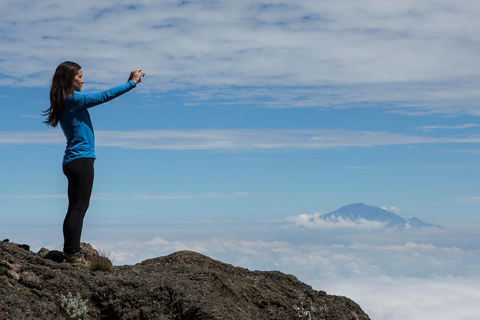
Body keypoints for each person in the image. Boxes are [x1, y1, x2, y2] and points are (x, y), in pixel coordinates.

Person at [43, 61, 145, 264]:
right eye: (79, 76)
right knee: (79, 208)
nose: (83, 80)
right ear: (68, 79)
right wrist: (132, 84)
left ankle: (70, 249)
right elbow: (102, 96)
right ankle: (73, 253)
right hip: (81, 160)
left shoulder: (65, 101)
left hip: (73, 160)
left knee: (74, 207)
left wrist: (127, 82)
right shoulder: (72, 99)